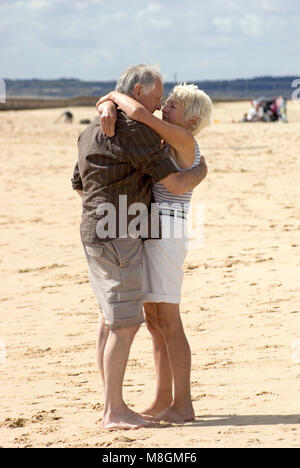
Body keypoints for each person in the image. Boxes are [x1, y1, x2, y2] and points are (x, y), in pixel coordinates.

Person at [71, 64, 208, 430]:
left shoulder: (170, 135)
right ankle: (160, 399)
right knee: (152, 321)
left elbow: (175, 182)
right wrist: (111, 99)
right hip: (139, 230)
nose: (164, 105)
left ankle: (178, 403)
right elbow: (140, 116)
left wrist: (111, 97)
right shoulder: (151, 135)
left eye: (172, 103)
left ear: (192, 118)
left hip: (157, 232)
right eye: (162, 98)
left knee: (160, 319)